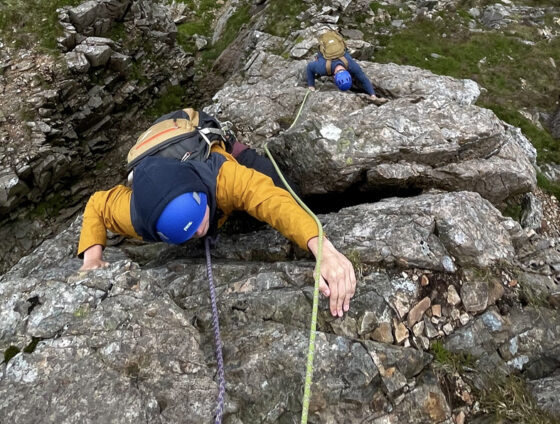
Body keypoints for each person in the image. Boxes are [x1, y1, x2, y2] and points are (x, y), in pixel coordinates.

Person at [77, 129, 357, 317]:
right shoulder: (136, 217)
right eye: (188, 232)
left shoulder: (225, 178)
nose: (200, 231)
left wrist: (324, 250)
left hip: (216, 151)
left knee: (289, 189)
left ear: (202, 189)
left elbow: (274, 201)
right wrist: (92, 258)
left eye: (201, 218)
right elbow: (97, 205)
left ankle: (239, 148)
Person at [305, 48, 376, 95]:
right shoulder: (322, 68)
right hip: (325, 49)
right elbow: (309, 67)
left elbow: (363, 79)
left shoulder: (352, 66)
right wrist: (311, 85)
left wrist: (372, 94)